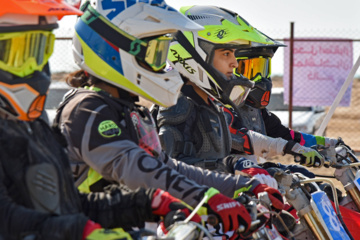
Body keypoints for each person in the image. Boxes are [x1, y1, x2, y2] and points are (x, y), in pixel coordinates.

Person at [54, 0, 283, 235]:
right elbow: (135, 168)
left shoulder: (128, 110)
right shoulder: (86, 109)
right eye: (155, 53)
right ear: (115, 50)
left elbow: (167, 166)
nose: (162, 65)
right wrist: (204, 197)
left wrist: (239, 185)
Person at [0, 0, 201, 239]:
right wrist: (81, 232)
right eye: (18, 54)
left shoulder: (33, 125)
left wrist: (147, 203)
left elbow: (68, 204)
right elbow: (6, 218)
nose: (35, 67)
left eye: (40, 50)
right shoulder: (85, 109)